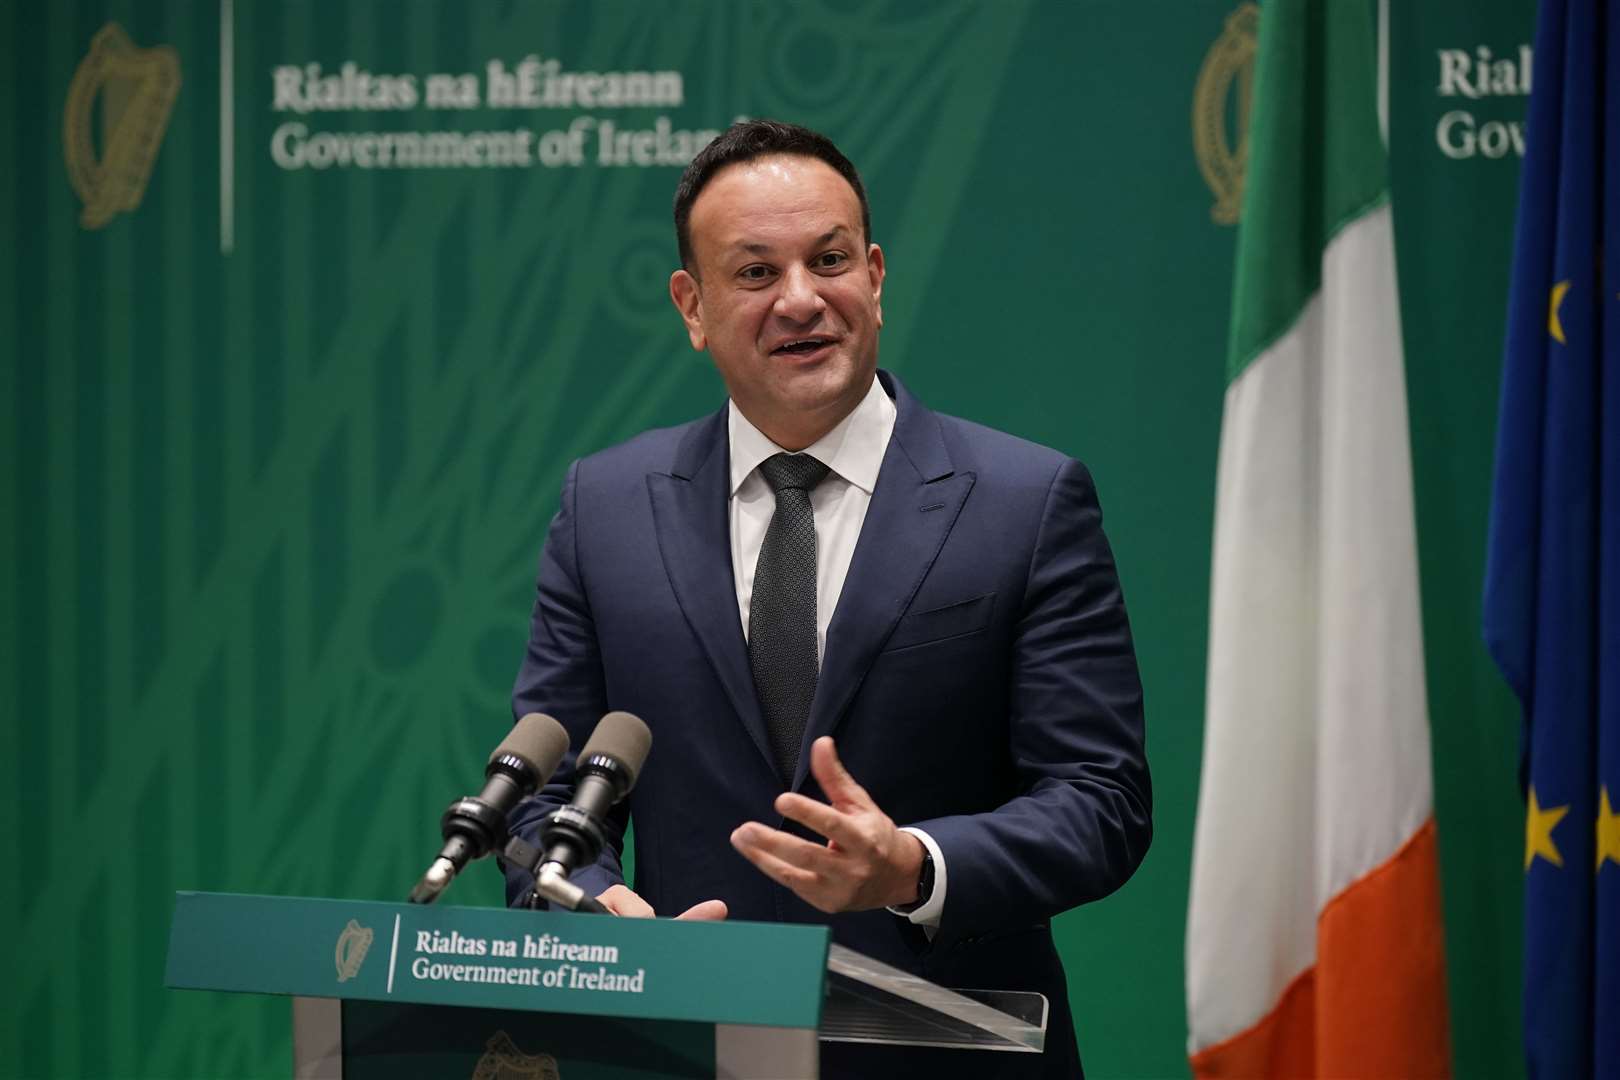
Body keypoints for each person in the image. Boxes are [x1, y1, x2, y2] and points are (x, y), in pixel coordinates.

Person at [503, 119, 1151, 1078]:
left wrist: (915, 868)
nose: (802, 299)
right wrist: (593, 906)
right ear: (692, 305)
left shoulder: (1026, 502)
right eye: (756, 273)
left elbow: (1101, 801)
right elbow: (544, 798)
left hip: (952, 1053)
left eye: (831, 259)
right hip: (690, 1048)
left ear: (876, 276)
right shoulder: (605, 508)